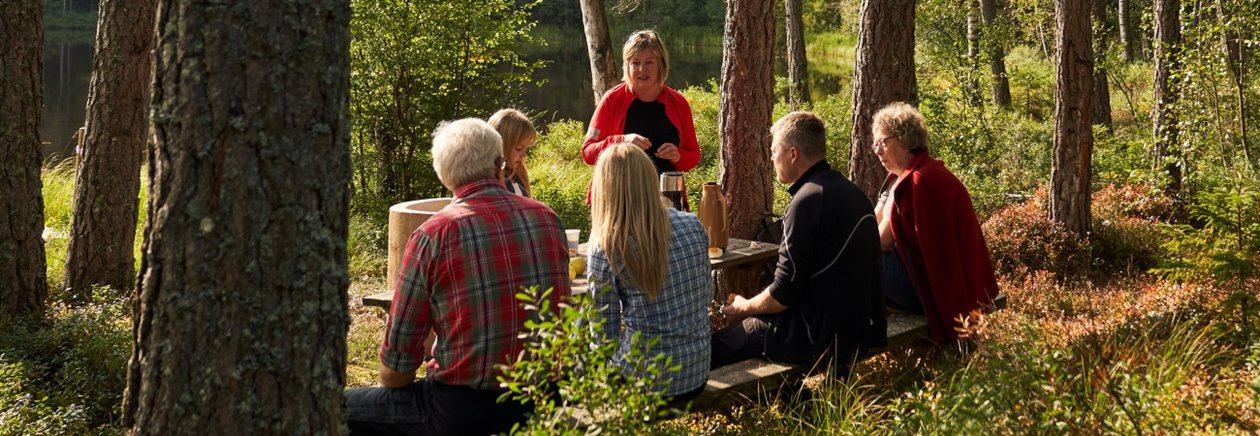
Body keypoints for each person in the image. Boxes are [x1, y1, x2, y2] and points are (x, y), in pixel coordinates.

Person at [344, 118, 572, 435]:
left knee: (339, 409)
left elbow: (395, 374)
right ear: (499, 163)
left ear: (443, 173)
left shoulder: (433, 235)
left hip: (461, 409)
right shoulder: (548, 218)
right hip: (543, 402)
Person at [711, 112, 886, 374]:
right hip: (861, 328)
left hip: (815, 336)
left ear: (792, 154)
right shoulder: (854, 193)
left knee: (720, 345)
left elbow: (783, 294)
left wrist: (744, 307)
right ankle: (799, 405)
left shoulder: (806, 202)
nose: (772, 159)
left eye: (774, 151)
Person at [586, 143, 712, 401]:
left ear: (604, 189)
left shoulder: (608, 245)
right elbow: (706, 295)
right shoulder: (692, 224)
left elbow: (604, 338)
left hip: (646, 382)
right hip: (697, 372)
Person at [871, 102, 1000, 343]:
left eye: (882, 142)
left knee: (854, 262)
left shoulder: (918, 182)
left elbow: (879, 242)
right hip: (948, 282)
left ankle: (841, 343)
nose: (877, 151)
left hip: (934, 290)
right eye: (874, 144)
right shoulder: (911, 176)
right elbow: (871, 223)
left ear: (904, 139)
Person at [581, 30, 700, 176]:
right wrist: (621, 141)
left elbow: (693, 157)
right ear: (627, 66)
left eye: (649, 62)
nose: (642, 70)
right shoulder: (611, 100)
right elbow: (588, 152)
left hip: (667, 193)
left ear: (661, 64)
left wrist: (678, 155)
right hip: (619, 192)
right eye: (635, 63)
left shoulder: (678, 102)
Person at [489, 108, 536, 198]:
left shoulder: (518, 175)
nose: (524, 155)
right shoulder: (486, 183)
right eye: (519, 148)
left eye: (526, 148)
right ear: (502, 145)